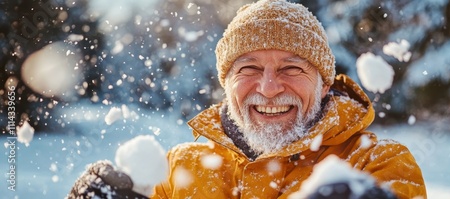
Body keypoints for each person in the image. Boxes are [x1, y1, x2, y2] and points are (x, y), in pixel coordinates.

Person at [68, 0, 427, 198]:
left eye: (292, 68)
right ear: (227, 84)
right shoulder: (177, 169)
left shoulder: (374, 164)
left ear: (325, 85)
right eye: (249, 68)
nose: (269, 88)